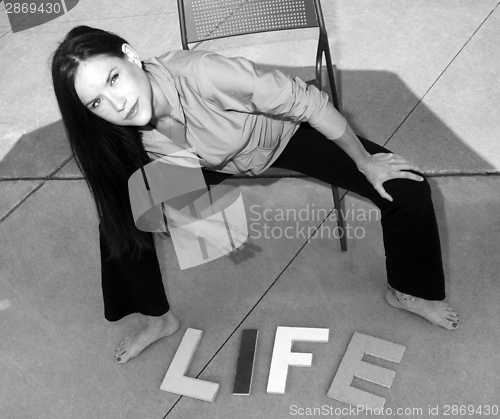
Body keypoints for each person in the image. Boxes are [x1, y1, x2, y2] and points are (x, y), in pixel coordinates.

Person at [51, 26, 459, 364]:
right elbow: (143, 185)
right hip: (199, 160)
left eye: (114, 78)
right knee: (119, 223)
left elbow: (309, 103)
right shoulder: (117, 129)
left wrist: (366, 162)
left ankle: (406, 290)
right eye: (97, 101)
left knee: (408, 190)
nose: (118, 104)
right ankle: (159, 320)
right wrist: (167, 208)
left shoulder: (204, 74)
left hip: (280, 135)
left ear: (130, 55)